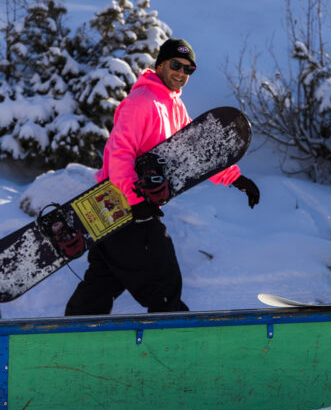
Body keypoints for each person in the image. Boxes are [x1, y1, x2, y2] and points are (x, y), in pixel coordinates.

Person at [64, 38, 260, 316]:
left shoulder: (173, 106)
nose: (181, 73)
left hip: (118, 211)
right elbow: (119, 154)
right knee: (164, 284)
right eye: (176, 65)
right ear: (160, 65)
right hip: (125, 209)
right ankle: (171, 344)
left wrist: (236, 179)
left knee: (100, 286)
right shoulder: (141, 101)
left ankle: (67, 342)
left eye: (188, 69)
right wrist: (134, 201)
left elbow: (196, 152)